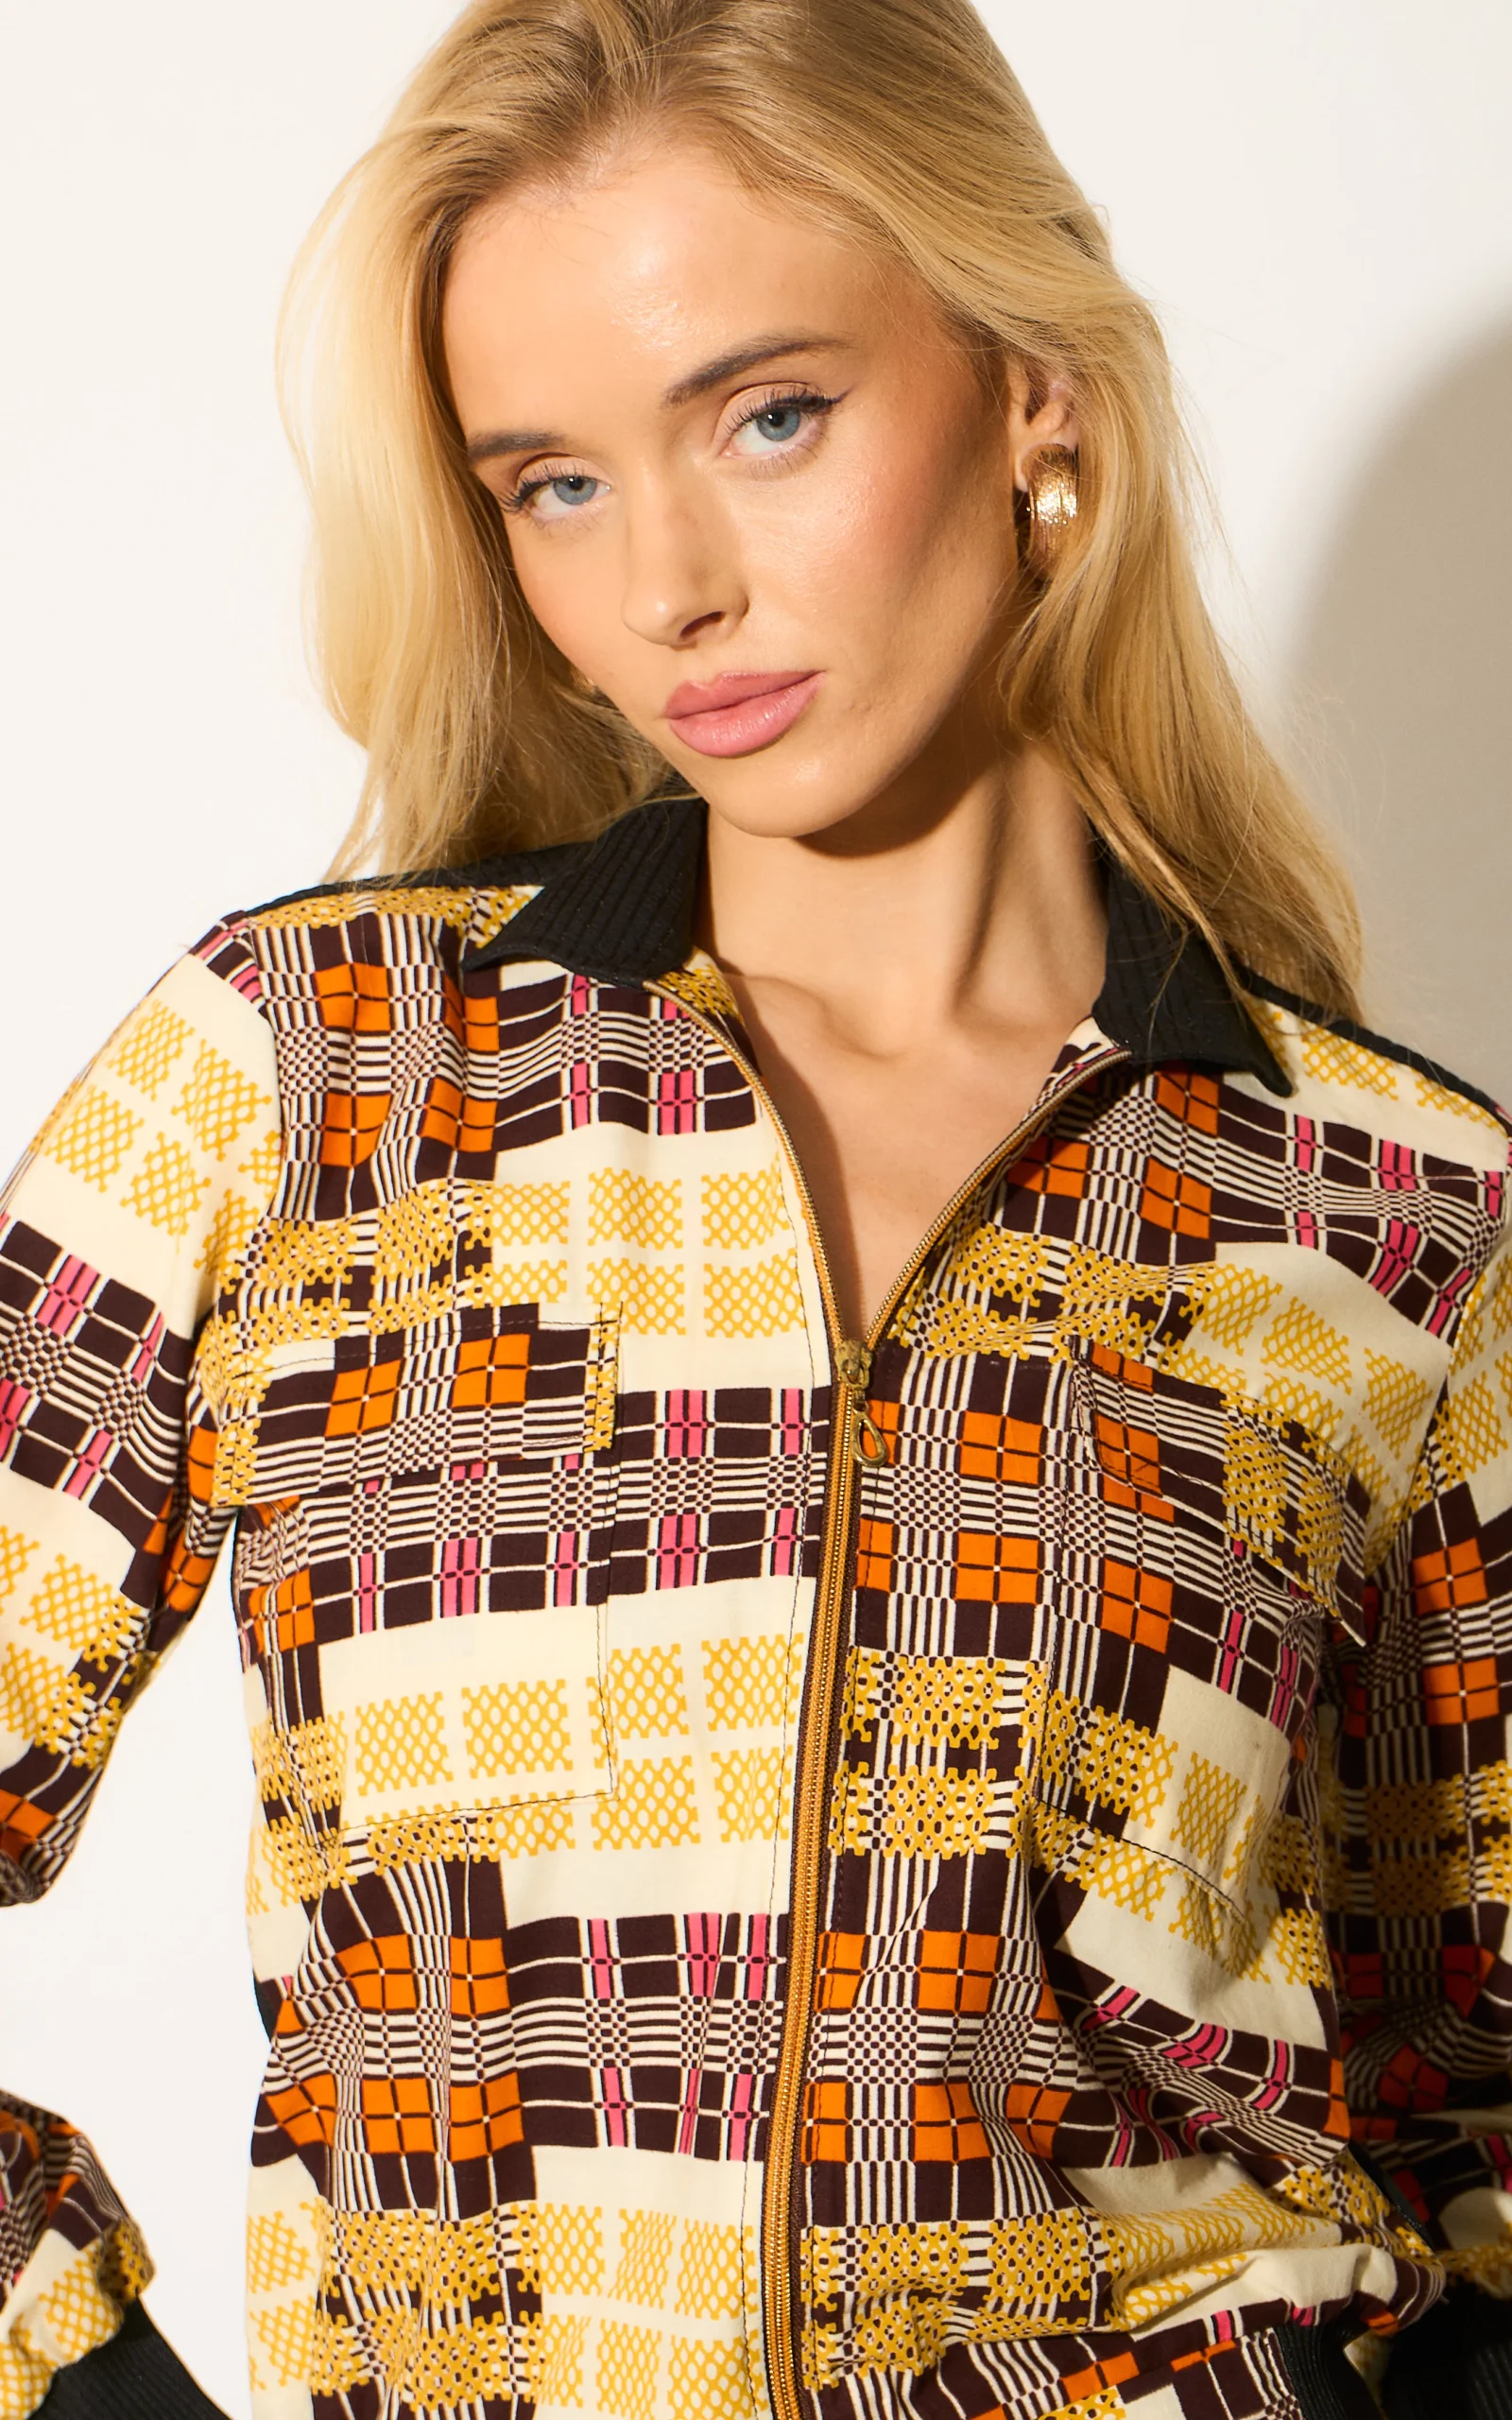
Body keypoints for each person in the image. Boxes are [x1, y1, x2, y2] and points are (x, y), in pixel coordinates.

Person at [2, 4, 1509, 2417]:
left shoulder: (1391, 1211)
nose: (669, 585)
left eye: (767, 415)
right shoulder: (313, 1078)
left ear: (1031, 392)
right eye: (552, 482)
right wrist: (75, 2382)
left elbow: (1469, 2105)